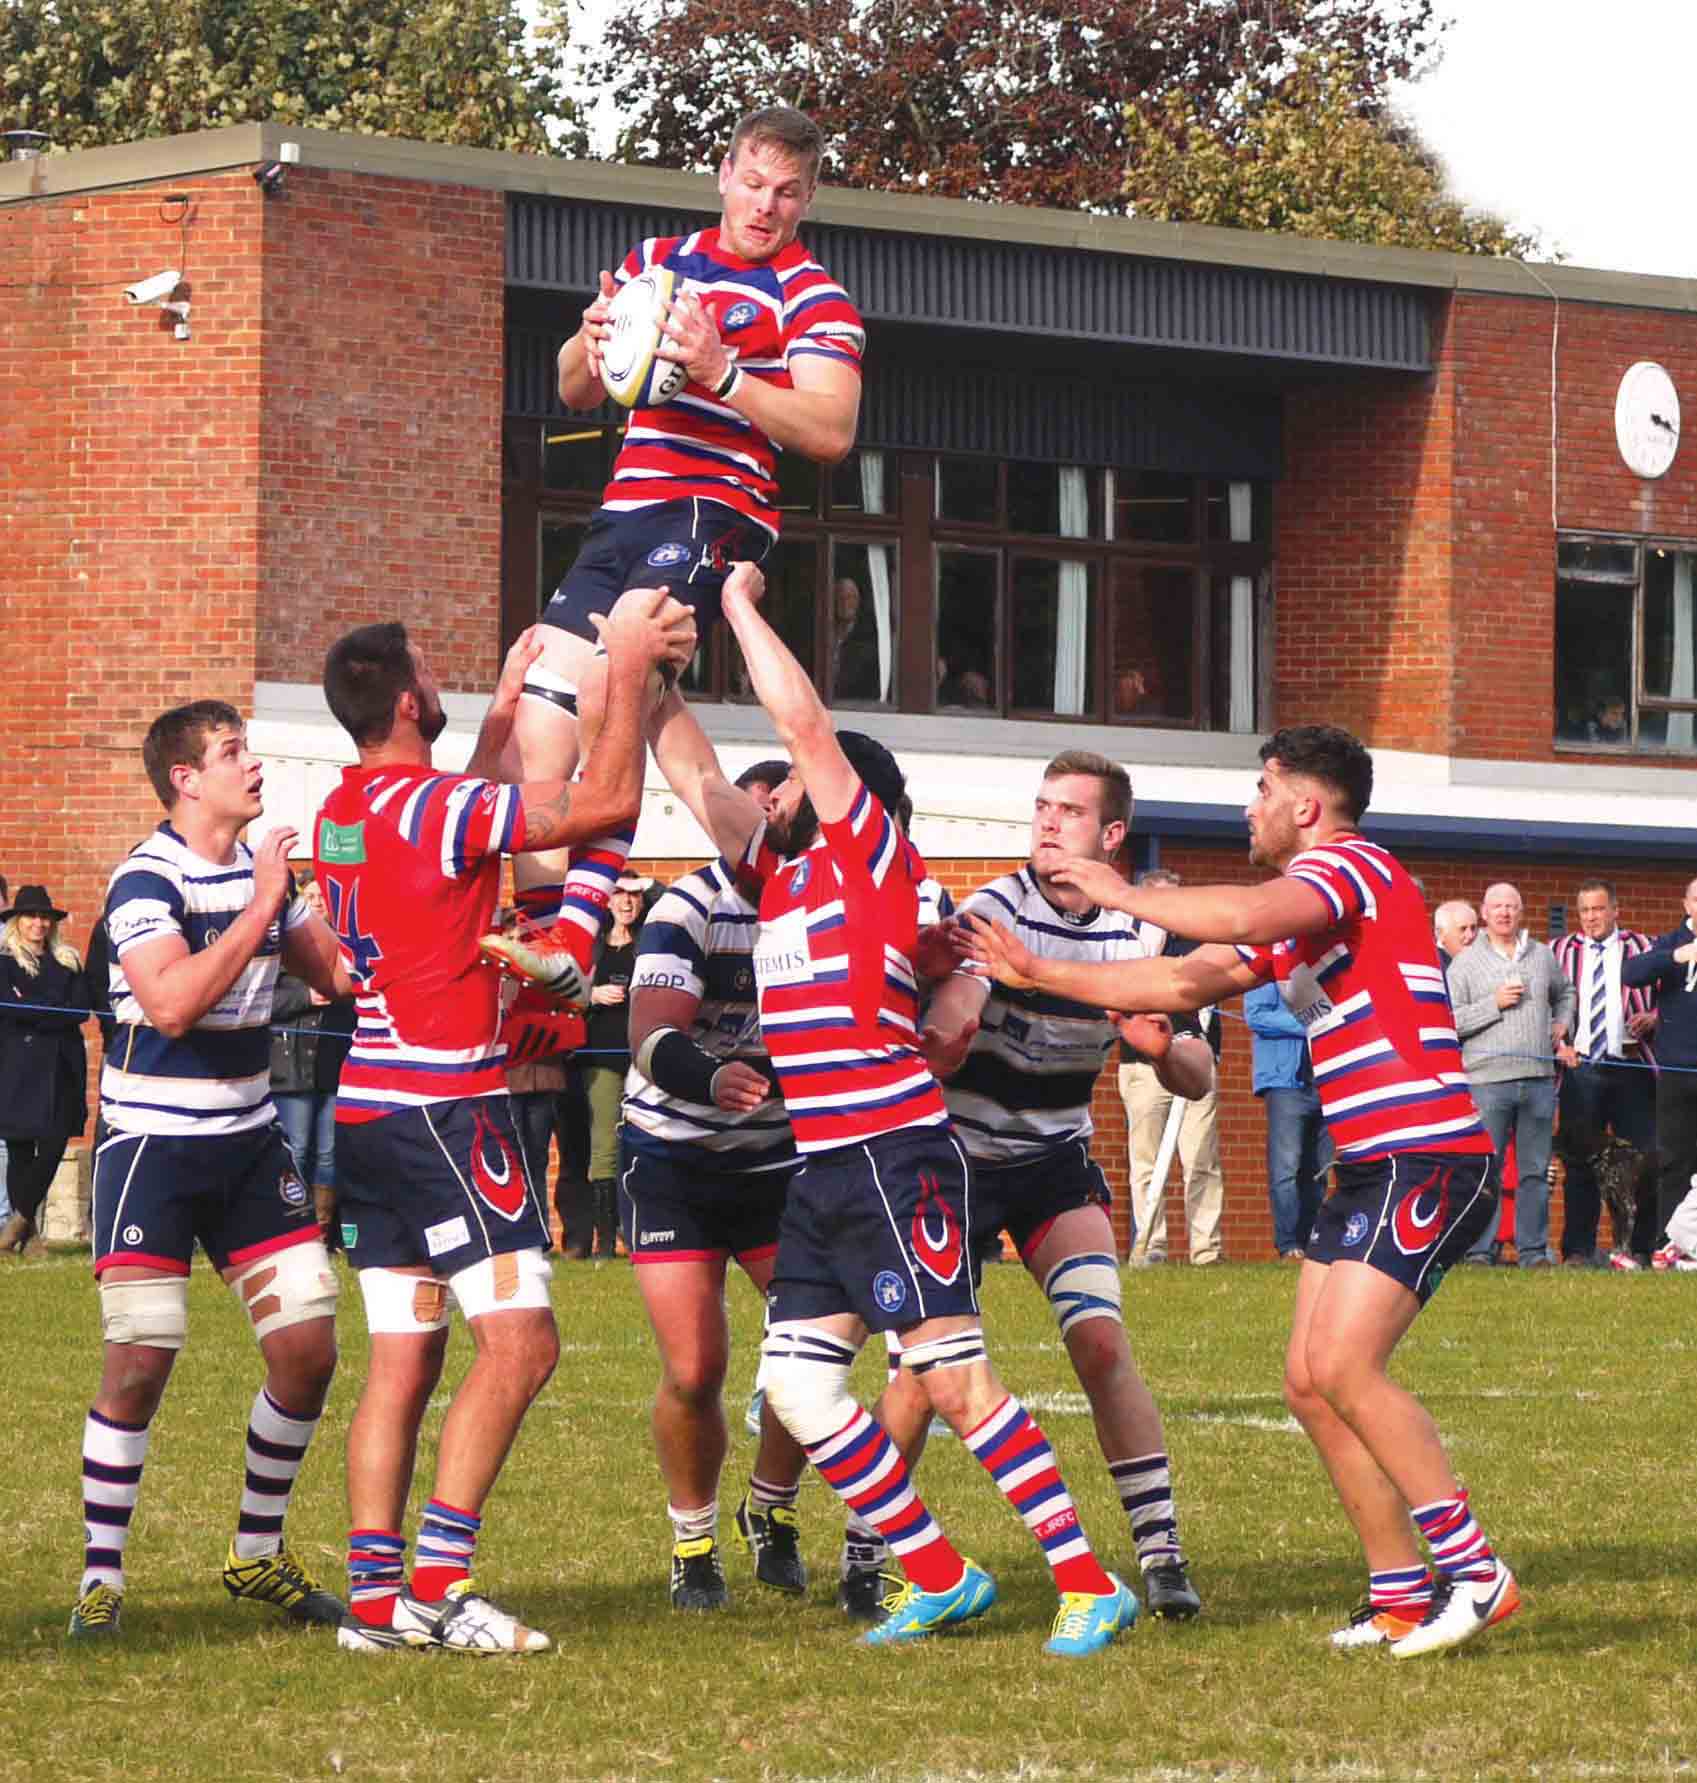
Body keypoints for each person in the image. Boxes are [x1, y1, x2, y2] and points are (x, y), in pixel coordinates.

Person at [967, 724, 1518, 1658]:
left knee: (1344, 1368)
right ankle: (1394, 1591)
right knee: (1307, 1384)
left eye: (1261, 789)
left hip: (1426, 1154)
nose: (1247, 807)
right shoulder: (1310, 914)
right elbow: (1183, 974)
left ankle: (1474, 1572)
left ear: (1306, 805)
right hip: (1371, 1166)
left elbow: (1245, 920)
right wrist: (1032, 968)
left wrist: (1113, 888)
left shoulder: (1355, 869)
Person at [693, 560, 1136, 1655]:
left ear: (848, 795)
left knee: (951, 1375)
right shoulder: (788, 882)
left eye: (790, 786)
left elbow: (800, 721)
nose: (771, 797)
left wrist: (743, 607)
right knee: (794, 1388)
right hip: (825, 1169)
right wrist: (644, 673)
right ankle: (936, 1572)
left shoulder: (869, 857)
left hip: (894, 1153)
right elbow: (699, 782)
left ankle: (1090, 1581)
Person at [315, 592, 687, 1656]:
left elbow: (426, 836)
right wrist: (619, 671)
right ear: (403, 700)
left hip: (371, 1106)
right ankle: (439, 1584)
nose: (443, 679)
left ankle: (378, 1606)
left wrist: (487, 727)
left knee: (401, 1361)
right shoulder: (440, 810)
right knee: (522, 1346)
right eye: (430, 669)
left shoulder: (347, 808)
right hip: (446, 1106)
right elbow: (604, 800)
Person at [485, 104, 864, 1019]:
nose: (765, 205)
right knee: (545, 700)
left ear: (808, 198)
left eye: (786, 191)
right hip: (622, 509)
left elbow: (831, 430)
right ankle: (549, 950)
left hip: (715, 509)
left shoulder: (813, 296)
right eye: (753, 182)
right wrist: (595, 333)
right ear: (723, 174)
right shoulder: (656, 261)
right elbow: (575, 385)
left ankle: (577, 930)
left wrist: (724, 372)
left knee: (618, 671)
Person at [838, 752, 1213, 1625]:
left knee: (1102, 1346)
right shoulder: (996, 908)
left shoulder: (1140, 932)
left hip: (1051, 1161)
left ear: (1111, 835)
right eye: (1041, 806)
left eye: (1070, 811)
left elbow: (1196, 1068)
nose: (1047, 822)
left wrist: (1159, 1046)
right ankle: (867, 1545)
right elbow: (953, 1008)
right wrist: (952, 1025)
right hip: (955, 1163)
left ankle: (1160, 1554)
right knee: (923, 1373)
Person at [69, 703, 350, 1642]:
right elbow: (174, 1001)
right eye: (233, 752)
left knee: (308, 1353)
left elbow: (341, 975)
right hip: (151, 1148)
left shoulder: (266, 869)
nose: (255, 764)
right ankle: (101, 1578)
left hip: (247, 1144)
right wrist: (267, 901)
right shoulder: (145, 878)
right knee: (140, 1365)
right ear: (186, 779)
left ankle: (256, 1552)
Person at [620, 814, 811, 1611]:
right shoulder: (686, 908)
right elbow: (647, 1035)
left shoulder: (819, 900)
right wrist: (709, 1078)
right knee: (695, 1367)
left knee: (811, 1357)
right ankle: (692, 1538)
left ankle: (769, 1510)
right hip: (674, 1155)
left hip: (779, 1160)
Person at [1445, 883, 1575, 1267]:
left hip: (1538, 1079)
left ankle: (1533, 1251)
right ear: (1483, 914)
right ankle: (1479, 1251)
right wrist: (1494, 1004)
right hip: (1487, 1082)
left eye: (1511, 907)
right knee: (1487, 1169)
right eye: (1496, 907)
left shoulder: (1541, 956)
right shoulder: (1465, 964)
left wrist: (1562, 1023)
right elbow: (1448, 1021)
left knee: (1535, 1171)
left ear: (1521, 913)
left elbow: (1566, 992)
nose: (1504, 913)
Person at [1118, 870, 1225, 1267]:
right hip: (1143, 1068)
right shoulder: (1130, 944)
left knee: (1201, 1158)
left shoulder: (1200, 945)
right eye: (1163, 901)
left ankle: (1207, 1250)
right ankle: (1151, 1246)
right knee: (1145, 1160)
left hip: (1195, 1062)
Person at [1550, 879, 1659, 1267]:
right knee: (1580, 1165)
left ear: (1615, 910)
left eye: (1598, 909)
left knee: (1640, 1162)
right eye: (1584, 911)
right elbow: (1545, 1001)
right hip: (1580, 1071)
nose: (1591, 918)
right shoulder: (1559, 950)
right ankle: (1578, 1251)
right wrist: (1557, 1044)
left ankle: (1640, 1249)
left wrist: (1656, 1016)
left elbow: (1677, 992)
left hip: (1632, 1068)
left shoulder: (1645, 947)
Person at [0, 885, 90, 1256]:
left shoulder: (68, 961)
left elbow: (80, 1010)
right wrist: (52, 1009)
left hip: (62, 1068)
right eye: (31, 916)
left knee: (53, 1147)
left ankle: (15, 1224)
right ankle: (30, 1235)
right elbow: (8, 1009)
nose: (38, 923)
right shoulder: (4, 962)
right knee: (21, 1152)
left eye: (44, 917)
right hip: (17, 1068)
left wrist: (35, 1008)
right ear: (17, 921)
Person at [1622, 878, 1697, 1253]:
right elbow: (1631, 973)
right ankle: (1670, 1246)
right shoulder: (1670, 944)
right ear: (1686, 904)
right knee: (1675, 1163)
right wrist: (1675, 957)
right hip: (1678, 1074)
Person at [580, 873, 651, 1258]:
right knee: (604, 1145)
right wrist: (592, 994)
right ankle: (604, 1244)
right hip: (600, 1059)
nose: (626, 902)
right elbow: (565, 991)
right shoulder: (592, 949)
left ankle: (640, 1233)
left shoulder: (650, 944)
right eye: (619, 894)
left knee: (645, 1143)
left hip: (643, 1061)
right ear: (606, 901)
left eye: (634, 896)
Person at [1244, 978, 1331, 1260]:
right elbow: (1256, 1014)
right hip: (1285, 1080)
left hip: (1328, 1079)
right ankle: (1288, 1244)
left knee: (1318, 1170)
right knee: (1286, 1168)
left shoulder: (1324, 963)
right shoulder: (1269, 967)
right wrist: (1312, 1022)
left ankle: (1311, 1244)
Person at [1433, 900, 1477, 971]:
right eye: (1463, 929)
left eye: (1473, 928)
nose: (1470, 935)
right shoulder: (1433, 969)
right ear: (1440, 933)